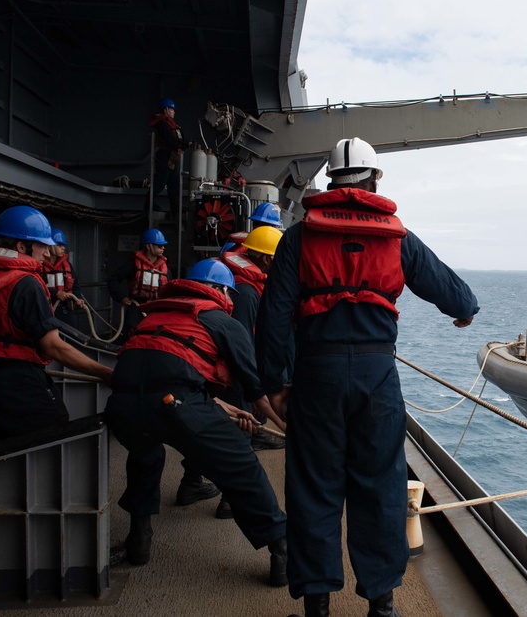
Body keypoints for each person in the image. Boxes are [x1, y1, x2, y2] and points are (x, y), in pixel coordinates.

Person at [261, 136, 479, 617]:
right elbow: (455, 294)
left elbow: (273, 316)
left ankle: (317, 604)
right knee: (379, 487)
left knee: (314, 487)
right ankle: (381, 604)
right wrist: (463, 311)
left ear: (332, 179)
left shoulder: (298, 237)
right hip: (378, 377)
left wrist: (274, 385)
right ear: (375, 179)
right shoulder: (397, 237)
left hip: (316, 374)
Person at [103, 259, 288, 582]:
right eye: (229, 294)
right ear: (216, 290)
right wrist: (286, 429)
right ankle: (283, 551)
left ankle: (139, 540)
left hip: (122, 407)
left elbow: (164, 372)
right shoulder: (221, 321)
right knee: (241, 467)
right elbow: (256, 391)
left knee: (145, 453)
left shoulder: (153, 316)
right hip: (176, 406)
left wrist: (225, 410)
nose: (231, 302)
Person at [0, 205, 113, 441]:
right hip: (20, 381)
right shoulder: (27, 284)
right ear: (21, 246)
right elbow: (52, 346)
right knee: (52, 434)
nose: (47, 253)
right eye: (42, 246)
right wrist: (104, 372)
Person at [212, 226, 287, 520]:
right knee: (240, 436)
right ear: (267, 260)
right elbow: (240, 343)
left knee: (230, 430)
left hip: (234, 372)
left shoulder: (243, 285)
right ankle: (229, 501)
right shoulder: (246, 293)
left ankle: (191, 483)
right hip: (236, 376)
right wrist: (255, 388)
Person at [107, 228, 170, 341]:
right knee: (132, 336)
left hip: (156, 309)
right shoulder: (133, 264)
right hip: (137, 307)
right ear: (148, 246)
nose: (163, 248)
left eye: (163, 246)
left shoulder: (164, 268)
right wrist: (121, 298)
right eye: (159, 246)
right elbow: (113, 279)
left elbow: (171, 287)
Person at [149, 98, 193, 216]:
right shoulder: (162, 123)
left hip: (172, 156)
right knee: (160, 181)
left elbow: (177, 139)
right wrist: (179, 146)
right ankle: (149, 203)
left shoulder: (172, 124)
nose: (174, 112)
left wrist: (185, 144)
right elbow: (169, 139)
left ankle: (176, 208)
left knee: (174, 183)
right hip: (165, 155)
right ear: (166, 110)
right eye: (172, 109)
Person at [43, 228, 86, 330]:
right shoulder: (39, 265)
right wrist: (56, 293)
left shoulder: (67, 265)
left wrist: (77, 298)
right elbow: (36, 284)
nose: (63, 248)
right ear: (49, 246)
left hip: (63, 308)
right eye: (59, 245)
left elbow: (75, 285)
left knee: (72, 333)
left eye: (63, 245)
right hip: (45, 309)